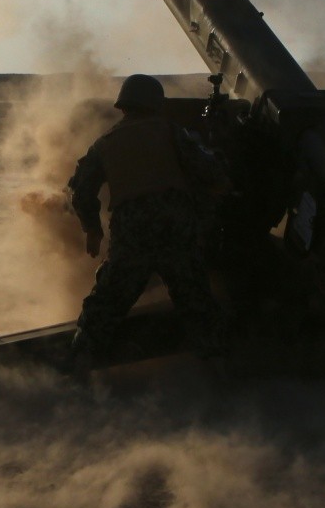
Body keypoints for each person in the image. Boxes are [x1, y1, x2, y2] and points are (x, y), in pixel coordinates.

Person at [66, 73, 226, 371]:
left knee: (107, 302)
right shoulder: (171, 132)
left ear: (123, 105)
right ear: (156, 102)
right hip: (176, 229)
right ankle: (216, 363)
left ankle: (81, 361)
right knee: (195, 299)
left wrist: (92, 230)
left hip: (131, 232)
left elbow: (81, 188)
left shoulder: (105, 143)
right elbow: (209, 172)